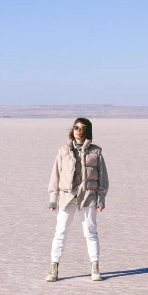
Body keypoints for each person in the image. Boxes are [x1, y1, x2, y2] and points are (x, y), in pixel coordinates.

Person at [46, 117, 109, 282]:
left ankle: (95, 267)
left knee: (91, 233)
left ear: (87, 131)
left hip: (88, 197)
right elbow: (56, 175)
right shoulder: (63, 151)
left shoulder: (96, 152)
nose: (78, 131)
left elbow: (103, 178)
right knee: (60, 232)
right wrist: (53, 199)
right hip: (67, 197)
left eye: (81, 128)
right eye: (75, 127)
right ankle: (54, 267)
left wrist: (101, 198)